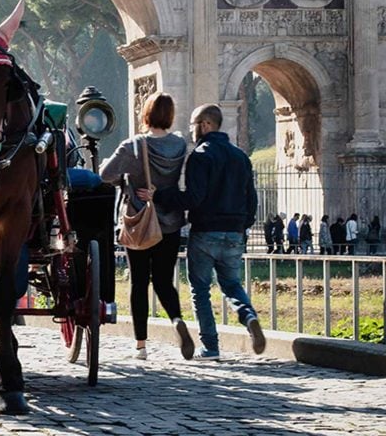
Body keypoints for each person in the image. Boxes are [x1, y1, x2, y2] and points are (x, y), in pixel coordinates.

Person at [155, 103, 265, 360]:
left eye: (194, 124)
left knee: (200, 289)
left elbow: (194, 198)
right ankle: (248, 316)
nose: (191, 129)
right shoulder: (240, 156)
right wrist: (243, 225)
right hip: (235, 232)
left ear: (205, 125)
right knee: (231, 284)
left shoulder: (201, 155)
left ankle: (211, 347)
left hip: (205, 231)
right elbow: (252, 199)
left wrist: (161, 195)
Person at [100, 92, 194, 361]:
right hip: (170, 222)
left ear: (146, 113)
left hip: (139, 222)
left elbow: (105, 175)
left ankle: (141, 345)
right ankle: (176, 319)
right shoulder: (179, 145)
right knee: (164, 280)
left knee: (139, 282)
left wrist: (126, 179)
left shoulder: (134, 145)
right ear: (170, 116)